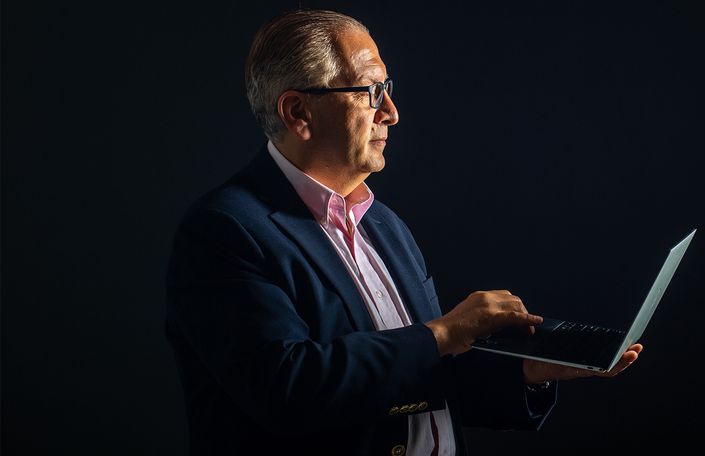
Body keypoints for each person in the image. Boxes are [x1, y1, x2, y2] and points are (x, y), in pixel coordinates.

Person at [165, 9, 643, 456]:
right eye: (370, 91)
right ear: (297, 113)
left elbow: (420, 377)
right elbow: (289, 392)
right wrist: (445, 331)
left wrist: (528, 371)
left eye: (387, 89)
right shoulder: (225, 231)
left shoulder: (385, 226)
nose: (390, 111)